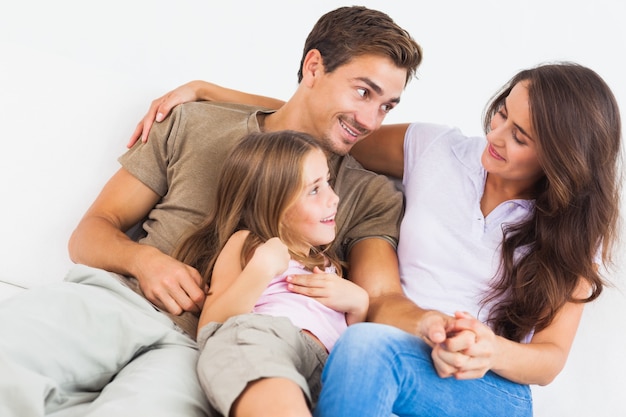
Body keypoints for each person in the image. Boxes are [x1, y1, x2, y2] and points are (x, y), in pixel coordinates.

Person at [131, 62, 622, 416]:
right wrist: (211, 89)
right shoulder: (437, 149)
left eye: (521, 137)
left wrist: (489, 349)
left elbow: (550, 360)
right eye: (501, 113)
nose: (496, 134)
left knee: (363, 346)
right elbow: (328, 129)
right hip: (395, 345)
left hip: (485, 386)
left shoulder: (571, 231)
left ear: (561, 159)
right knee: (360, 347)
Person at [0, 6, 422, 417]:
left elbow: (384, 297)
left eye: (387, 106)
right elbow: (90, 233)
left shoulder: (367, 193)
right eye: (363, 91)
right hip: (118, 302)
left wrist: (438, 329)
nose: (370, 120)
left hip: (204, 354)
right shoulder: (195, 122)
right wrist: (143, 259)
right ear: (313, 67)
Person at [174, 130, 368, 416]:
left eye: (327, 182)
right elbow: (213, 325)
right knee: (256, 363)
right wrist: (261, 269)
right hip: (268, 340)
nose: (334, 198)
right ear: (271, 203)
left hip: (327, 369)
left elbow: (349, 340)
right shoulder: (249, 244)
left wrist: (359, 303)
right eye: (314, 190)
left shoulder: (327, 263)